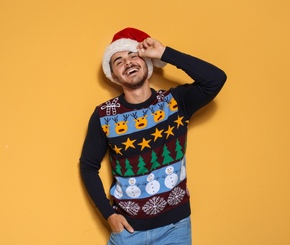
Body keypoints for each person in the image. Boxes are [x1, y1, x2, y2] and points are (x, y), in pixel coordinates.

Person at [79, 27, 226, 245]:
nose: (127, 62)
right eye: (118, 61)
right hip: (128, 231)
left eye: (133, 56)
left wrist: (165, 53)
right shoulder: (104, 115)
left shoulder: (175, 102)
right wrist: (108, 214)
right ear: (113, 75)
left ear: (147, 64)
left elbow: (216, 78)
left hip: (176, 229)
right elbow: (88, 166)